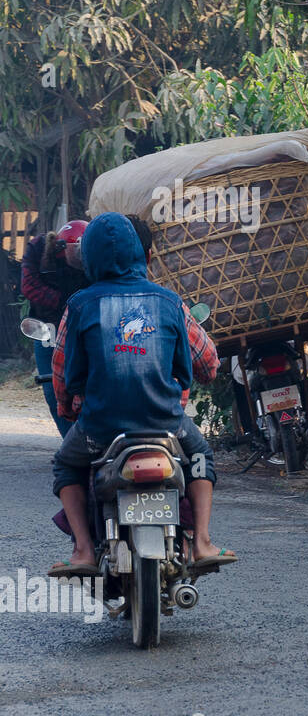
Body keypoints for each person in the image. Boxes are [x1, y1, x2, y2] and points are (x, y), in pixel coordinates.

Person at [46, 212, 235, 578]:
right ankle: (202, 543)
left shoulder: (80, 304)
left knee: (66, 464)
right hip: (166, 423)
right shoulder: (169, 302)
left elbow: (62, 370)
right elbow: (207, 365)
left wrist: (66, 406)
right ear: (142, 255)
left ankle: (84, 549)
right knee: (201, 458)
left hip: (100, 427)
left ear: (90, 260)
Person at [20, 220, 89, 436]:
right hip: (47, 328)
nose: (81, 257)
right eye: (76, 252)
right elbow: (29, 286)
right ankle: (70, 443)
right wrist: (66, 303)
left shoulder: (93, 253)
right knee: (52, 389)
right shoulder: (37, 249)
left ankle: (93, 440)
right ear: (60, 247)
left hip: (83, 327)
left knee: (89, 385)